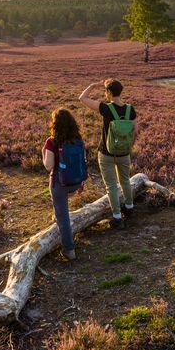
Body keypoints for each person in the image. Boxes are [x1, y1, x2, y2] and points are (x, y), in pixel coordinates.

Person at [79, 79, 137, 229]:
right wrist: (127, 146)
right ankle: (129, 208)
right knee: (125, 181)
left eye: (105, 91)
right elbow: (135, 131)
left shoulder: (106, 108)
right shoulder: (131, 109)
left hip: (106, 153)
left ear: (109, 93)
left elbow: (82, 98)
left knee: (111, 186)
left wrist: (92, 85)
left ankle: (117, 218)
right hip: (124, 153)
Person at [42, 108, 85, 260]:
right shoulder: (78, 139)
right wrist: (81, 183)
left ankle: (69, 250)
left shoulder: (51, 141)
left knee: (63, 217)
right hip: (76, 181)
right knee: (61, 211)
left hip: (61, 184)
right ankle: (57, 216)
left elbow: (48, 166)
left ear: (55, 124)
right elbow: (81, 162)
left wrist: (44, 152)